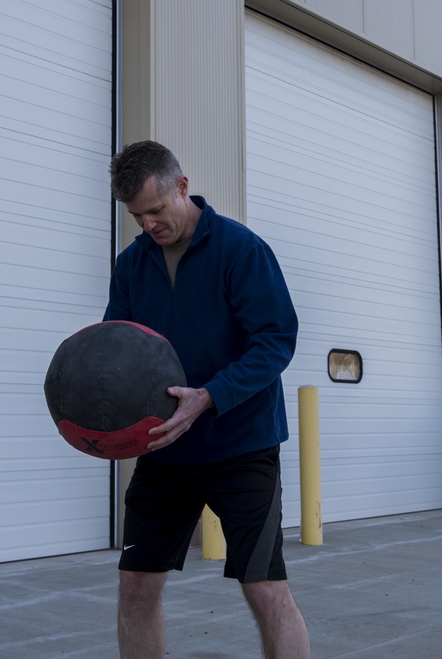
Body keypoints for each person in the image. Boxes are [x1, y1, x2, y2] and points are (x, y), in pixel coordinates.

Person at [104, 141, 310, 658]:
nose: (149, 224)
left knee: (264, 589)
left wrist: (210, 396)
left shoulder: (240, 250)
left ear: (182, 186)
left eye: (156, 210)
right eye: (137, 216)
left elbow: (275, 339)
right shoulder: (132, 265)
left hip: (242, 445)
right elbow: (119, 344)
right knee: (135, 588)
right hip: (165, 451)